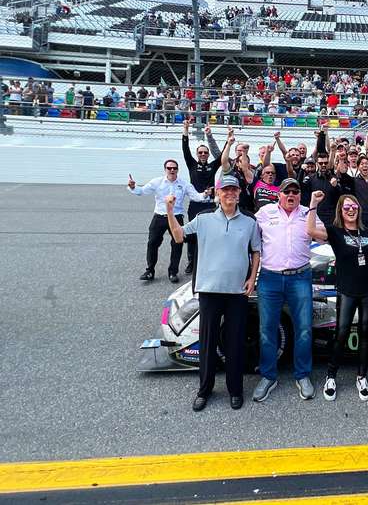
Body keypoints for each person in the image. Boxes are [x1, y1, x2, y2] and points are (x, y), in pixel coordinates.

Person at [165, 175, 260, 411]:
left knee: (234, 342)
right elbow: (178, 236)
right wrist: (169, 209)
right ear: (218, 193)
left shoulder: (249, 221)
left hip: (237, 291)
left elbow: (256, 251)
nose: (230, 194)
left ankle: (235, 390)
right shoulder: (204, 218)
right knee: (207, 343)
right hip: (209, 290)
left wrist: (251, 278)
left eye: (233, 190)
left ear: (239, 193)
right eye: (225, 190)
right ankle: (204, 390)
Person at [252, 178, 323, 403]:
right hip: (270, 278)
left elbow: (322, 234)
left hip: (300, 277)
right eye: (286, 191)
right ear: (279, 195)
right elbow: (247, 236)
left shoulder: (307, 212)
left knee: (304, 330)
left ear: (300, 195)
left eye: (295, 191)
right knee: (267, 330)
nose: (290, 195)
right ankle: (268, 376)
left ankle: (302, 375)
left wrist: (313, 209)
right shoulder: (265, 212)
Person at [306, 191, 368, 402]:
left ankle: (361, 376)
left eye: (354, 207)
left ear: (359, 209)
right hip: (347, 290)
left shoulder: (366, 233)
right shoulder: (335, 231)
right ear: (340, 210)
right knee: (342, 332)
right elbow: (309, 230)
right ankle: (331, 376)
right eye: (346, 207)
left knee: (366, 332)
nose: (350, 210)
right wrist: (312, 204)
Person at [127, 160, 211, 282]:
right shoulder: (156, 182)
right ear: (165, 169)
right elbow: (141, 191)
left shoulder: (184, 184)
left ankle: (173, 272)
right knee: (152, 243)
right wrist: (133, 187)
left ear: (177, 169)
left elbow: (196, 197)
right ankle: (150, 270)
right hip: (160, 216)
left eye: (174, 168)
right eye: (169, 168)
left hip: (176, 218)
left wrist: (205, 194)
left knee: (177, 244)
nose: (172, 170)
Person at [181, 119, 221, 274]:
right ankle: (191, 261)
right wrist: (185, 129)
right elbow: (185, 149)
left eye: (205, 152)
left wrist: (227, 139)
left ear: (208, 154)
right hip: (195, 204)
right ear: (197, 154)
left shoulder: (213, 165)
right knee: (192, 233)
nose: (203, 154)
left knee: (210, 233)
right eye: (200, 152)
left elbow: (224, 154)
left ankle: (208, 260)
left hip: (210, 204)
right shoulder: (192, 164)